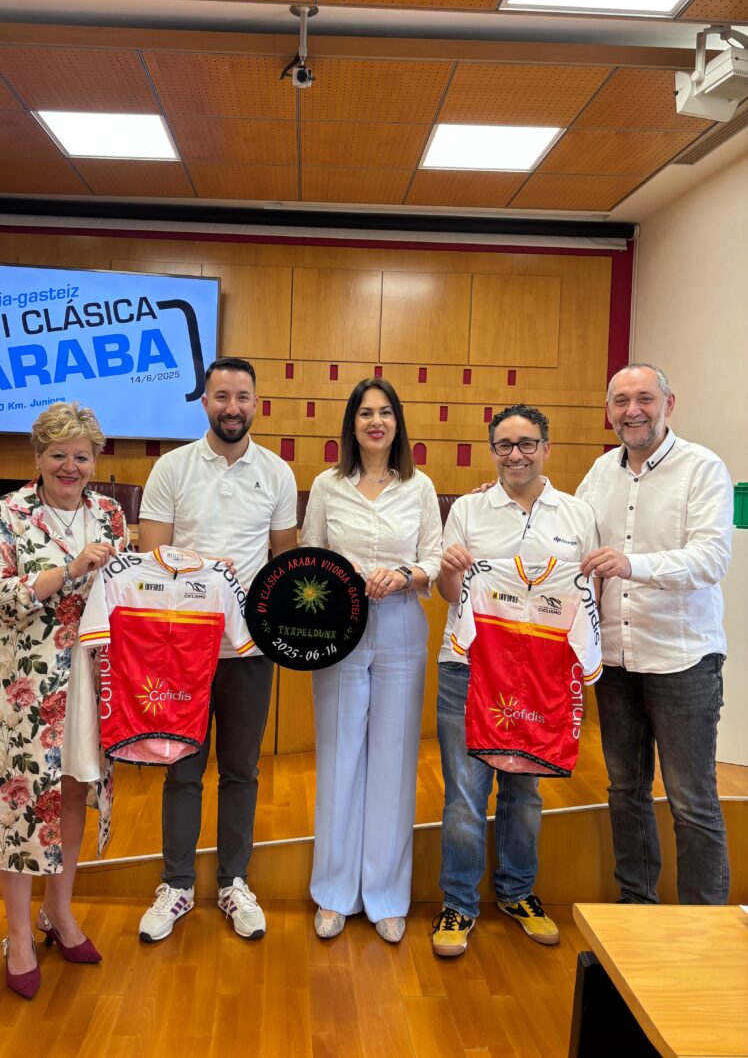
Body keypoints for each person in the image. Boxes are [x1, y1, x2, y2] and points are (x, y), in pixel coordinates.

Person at [0, 402, 128, 998]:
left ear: (94, 461)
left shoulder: (109, 514)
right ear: (37, 457)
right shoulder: (10, 512)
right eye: (58, 454)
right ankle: (20, 934)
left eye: (81, 456)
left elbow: (122, 594)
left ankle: (61, 911)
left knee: (76, 789)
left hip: (88, 678)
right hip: (24, 686)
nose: (70, 466)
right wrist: (67, 569)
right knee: (20, 799)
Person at [137, 356, 298, 941]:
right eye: (221, 396)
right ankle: (176, 885)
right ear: (204, 401)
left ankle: (234, 883)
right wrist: (204, 572)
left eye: (243, 398)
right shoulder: (172, 469)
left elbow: (285, 560)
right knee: (180, 768)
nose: (233, 408)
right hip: (181, 647)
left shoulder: (277, 473)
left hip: (249, 650)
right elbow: (155, 556)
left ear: (257, 404)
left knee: (240, 770)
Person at [432, 404, 597, 958]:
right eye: (504, 445)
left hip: (543, 679)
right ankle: (457, 902)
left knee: (525, 792)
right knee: (464, 795)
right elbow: (451, 596)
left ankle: (517, 893)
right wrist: (453, 570)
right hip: (469, 669)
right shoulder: (469, 510)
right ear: (492, 451)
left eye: (527, 443)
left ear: (547, 448)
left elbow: (587, 598)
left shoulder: (577, 515)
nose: (516, 454)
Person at [577, 363, 732, 905]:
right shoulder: (599, 474)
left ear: (669, 403)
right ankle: (637, 908)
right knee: (625, 792)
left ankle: (704, 924)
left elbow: (712, 558)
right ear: (609, 411)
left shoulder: (702, 468)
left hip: (683, 660)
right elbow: (569, 539)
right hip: (615, 661)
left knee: (692, 801)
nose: (632, 410)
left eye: (644, 398)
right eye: (620, 401)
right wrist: (499, 501)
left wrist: (632, 564)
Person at [299, 378, 442, 943]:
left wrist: (405, 575)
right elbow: (309, 557)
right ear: (352, 424)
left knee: (393, 759)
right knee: (338, 756)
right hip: (339, 631)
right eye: (365, 413)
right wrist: (345, 579)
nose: (375, 422)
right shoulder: (328, 486)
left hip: (403, 627)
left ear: (398, 423)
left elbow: (433, 554)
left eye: (385, 412)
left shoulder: (420, 486)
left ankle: (385, 895)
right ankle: (333, 894)